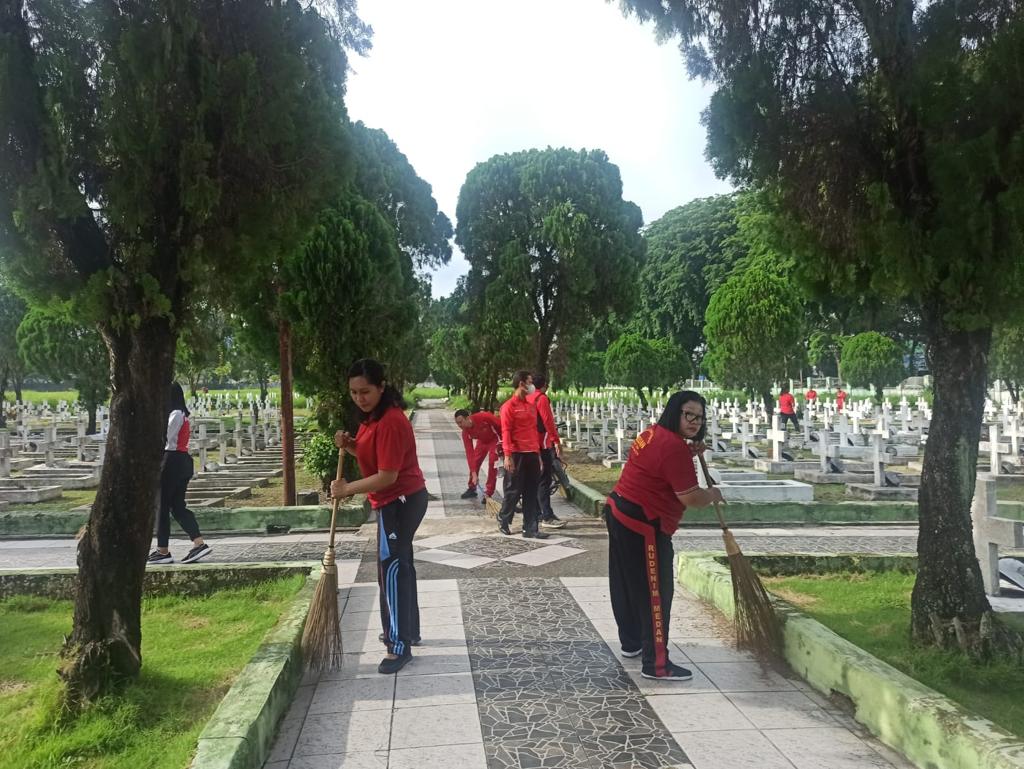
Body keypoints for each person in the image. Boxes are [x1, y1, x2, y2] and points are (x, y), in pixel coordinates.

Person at [604, 391, 725, 681]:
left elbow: (663, 467)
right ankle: (656, 663)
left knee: (628, 585)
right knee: (656, 593)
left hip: (619, 511)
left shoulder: (653, 433)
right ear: (675, 413)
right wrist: (713, 494)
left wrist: (689, 453)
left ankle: (632, 642)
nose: (695, 422)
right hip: (643, 525)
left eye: (699, 417)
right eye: (689, 415)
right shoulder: (673, 448)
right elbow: (691, 498)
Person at [331, 358, 427, 674]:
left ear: (382, 387)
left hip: (398, 501)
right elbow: (376, 456)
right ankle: (408, 631)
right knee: (401, 565)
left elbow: (386, 475)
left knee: (392, 569)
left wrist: (346, 489)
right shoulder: (372, 419)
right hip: (396, 500)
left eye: (366, 391)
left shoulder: (390, 420)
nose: (360, 398)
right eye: (354, 392)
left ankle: (398, 646)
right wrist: (352, 445)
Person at [147, 382, 212, 565]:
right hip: (181, 461)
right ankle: (198, 543)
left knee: (162, 505)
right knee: (177, 506)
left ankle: (163, 550)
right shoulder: (181, 414)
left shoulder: (175, 414)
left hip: (172, 460)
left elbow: (165, 438)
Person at [497, 370, 548, 539]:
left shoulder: (530, 406)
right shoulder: (508, 407)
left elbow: (534, 432)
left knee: (531, 492)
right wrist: (507, 455)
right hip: (516, 455)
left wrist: (538, 454)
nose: (532, 385)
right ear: (521, 384)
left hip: (531, 454)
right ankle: (504, 519)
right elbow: (506, 431)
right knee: (513, 490)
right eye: (529, 382)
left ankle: (530, 527)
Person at [527, 374, 566, 529]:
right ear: (544, 385)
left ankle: (537, 513)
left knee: (534, 480)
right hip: (541, 444)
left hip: (528, 444)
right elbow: (548, 422)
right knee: (544, 480)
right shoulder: (541, 399)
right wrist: (556, 441)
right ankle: (547, 516)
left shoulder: (528, 398)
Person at [454, 408, 502, 502]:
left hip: (494, 440)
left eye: (461, 422)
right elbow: (469, 453)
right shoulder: (465, 432)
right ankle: (472, 487)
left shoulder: (484, 416)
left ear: (468, 418)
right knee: (475, 462)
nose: (460, 426)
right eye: (457, 423)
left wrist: (504, 444)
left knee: (493, 463)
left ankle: (488, 492)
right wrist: (473, 473)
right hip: (482, 442)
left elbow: (501, 426)